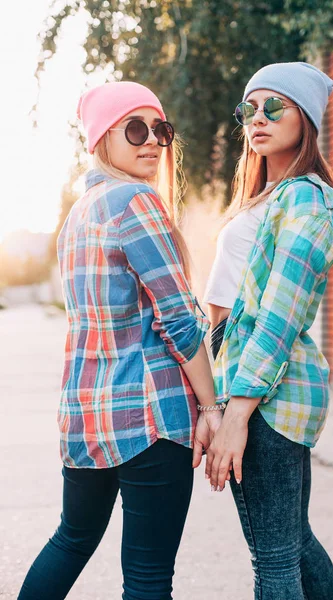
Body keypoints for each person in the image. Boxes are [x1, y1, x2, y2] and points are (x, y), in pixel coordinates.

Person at [18, 81, 223, 600]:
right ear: (101, 138)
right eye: (136, 128)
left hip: (85, 416)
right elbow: (178, 319)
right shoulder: (137, 201)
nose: (152, 141)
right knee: (148, 579)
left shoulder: (76, 217)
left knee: (70, 541)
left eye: (161, 129)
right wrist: (213, 406)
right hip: (149, 421)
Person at [203, 62, 333, 599]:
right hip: (244, 380)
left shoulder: (308, 199)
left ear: (304, 116)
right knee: (291, 544)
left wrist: (236, 410)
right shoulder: (267, 196)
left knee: (275, 559)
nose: (257, 118)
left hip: (267, 392)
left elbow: (280, 316)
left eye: (274, 106)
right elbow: (224, 303)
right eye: (249, 109)